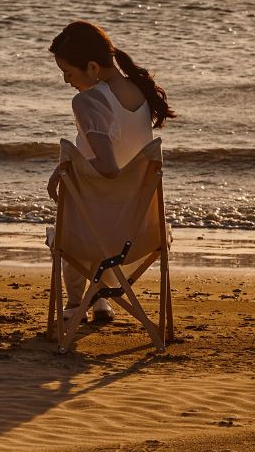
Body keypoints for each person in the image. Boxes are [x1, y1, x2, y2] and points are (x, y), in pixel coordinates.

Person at [46, 19, 174, 324]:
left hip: (93, 232)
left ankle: (77, 302)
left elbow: (107, 167)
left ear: (92, 67)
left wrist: (63, 171)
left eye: (68, 73)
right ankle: (101, 297)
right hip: (139, 232)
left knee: (78, 215)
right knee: (102, 210)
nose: (67, 81)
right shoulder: (140, 94)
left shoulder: (88, 100)